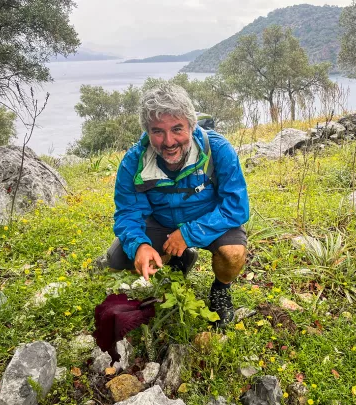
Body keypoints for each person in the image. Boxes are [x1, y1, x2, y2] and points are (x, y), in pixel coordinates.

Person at [104, 83, 249, 327]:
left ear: (192, 126)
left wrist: (189, 232)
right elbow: (129, 211)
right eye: (158, 131)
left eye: (177, 129)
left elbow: (236, 206)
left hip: (211, 220)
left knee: (233, 254)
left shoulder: (218, 150)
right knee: (120, 259)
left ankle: (221, 289)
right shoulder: (134, 162)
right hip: (162, 222)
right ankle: (181, 259)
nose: (169, 141)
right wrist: (139, 245)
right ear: (148, 132)